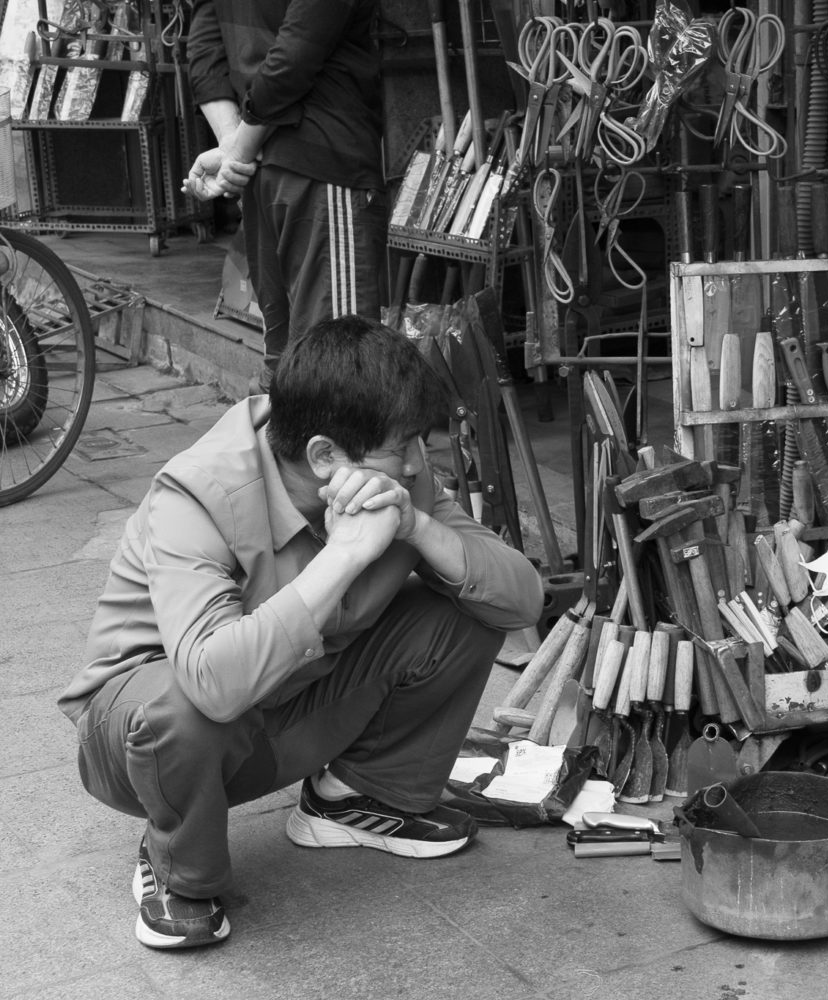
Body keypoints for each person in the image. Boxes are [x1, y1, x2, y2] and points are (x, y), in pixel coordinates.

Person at [59, 316, 544, 950]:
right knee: (184, 703)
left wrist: (419, 529)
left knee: (466, 598)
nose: (417, 463)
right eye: (402, 447)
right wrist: (343, 556)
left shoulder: (398, 478)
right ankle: (178, 868)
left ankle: (355, 797)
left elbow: (521, 601)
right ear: (324, 456)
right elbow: (212, 686)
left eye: (420, 443)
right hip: (142, 747)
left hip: (285, 708)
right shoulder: (196, 494)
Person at [184, 0, 387, 389]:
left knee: (287, 363)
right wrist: (237, 149)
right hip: (320, 159)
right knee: (340, 364)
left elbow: (205, 47)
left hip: (266, 168)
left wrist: (233, 142)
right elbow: (294, 55)